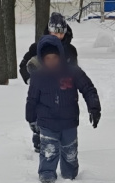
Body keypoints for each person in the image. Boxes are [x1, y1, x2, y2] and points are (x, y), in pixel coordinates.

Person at [25, 35, 101, 183]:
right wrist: (31, 119)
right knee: (49, 151)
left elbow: (88, 88)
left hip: (69, 121)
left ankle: (70, 176)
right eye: (48, 58)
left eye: (55, 57)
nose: (52, 61)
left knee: (70, 152)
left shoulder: (72, 72)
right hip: (47, 122)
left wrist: (94, 107)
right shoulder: (38, 77)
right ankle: (47, 175)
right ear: (42, 58)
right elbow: (32, 100)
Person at [20, 12, 79, 152]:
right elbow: (24, 66)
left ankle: (62, 143)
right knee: (42, 116)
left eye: (60, 33)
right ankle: (39, 142)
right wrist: (32, 80)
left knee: (62, 120)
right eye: (54, 32)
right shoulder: (37, 47)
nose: (57, 36)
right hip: (43, 91)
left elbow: (74, 71)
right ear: (49, 30)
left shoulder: (70, 51)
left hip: (64, 92)